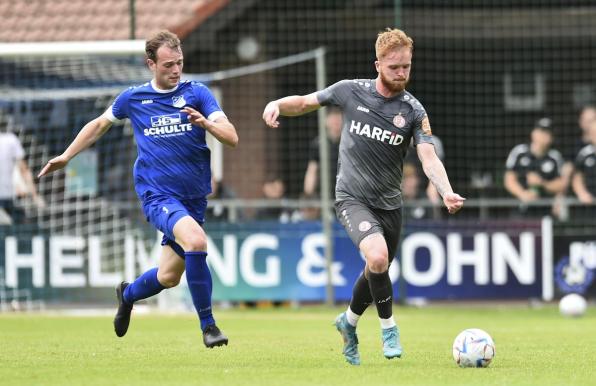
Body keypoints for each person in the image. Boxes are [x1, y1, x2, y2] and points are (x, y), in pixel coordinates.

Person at [262, 28, 464, 365]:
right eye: (394, 67)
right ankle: (389, 329)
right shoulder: (350, 91)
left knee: (375, 269)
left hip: (390, 204)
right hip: (351, 197)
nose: (401, 74)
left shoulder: (414, 110)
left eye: (407, 67)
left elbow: (428, 157)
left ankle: (348, 322)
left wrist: (446, 191)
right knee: (378, 258)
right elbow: (305, 102)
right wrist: (276, 104)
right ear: (378, 65)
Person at [38, 31, 238, 348]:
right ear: (151, 64)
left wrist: (208, 124)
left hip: (193, 197)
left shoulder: (198, 93)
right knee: (197, 242)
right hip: (157, 194)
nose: (176, 70)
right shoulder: (134, 98)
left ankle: (128, 293)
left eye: (180, 63)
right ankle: (209, 327)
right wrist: (66, 155)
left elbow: (231, 136)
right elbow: (99, 124)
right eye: (169, 64)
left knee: (168, 276)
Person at [504, 117, 566, 217]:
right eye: (542, 131)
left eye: (549, 132)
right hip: (520, 209)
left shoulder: (555, 157)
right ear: (533, 133)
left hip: (546, 211)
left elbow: (562, 184)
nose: (545, 135)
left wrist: (542, 183)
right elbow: (509, 180)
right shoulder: (519, 152)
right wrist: (523, 194)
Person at [0, 110, 44, 224]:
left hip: (7, 196)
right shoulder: (11, 139)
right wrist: (35, 196)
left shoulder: (10, 140)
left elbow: (22, 169)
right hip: (7, 196)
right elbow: (24, 170)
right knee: (21, 227)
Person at [303, 107, 342, 198]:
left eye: (338, 119)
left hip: (346, 193)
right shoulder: (318, 143)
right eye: (333, 120)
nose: (336, 123)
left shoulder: (350, 142)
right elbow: (312, 170)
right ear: (326, 121)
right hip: (325, 194)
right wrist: (308, 195)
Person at [572, 118, 596, 206]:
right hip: (589, 204)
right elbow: (577, 177)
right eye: (593, 133)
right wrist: (582, 193)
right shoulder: (585, 153)